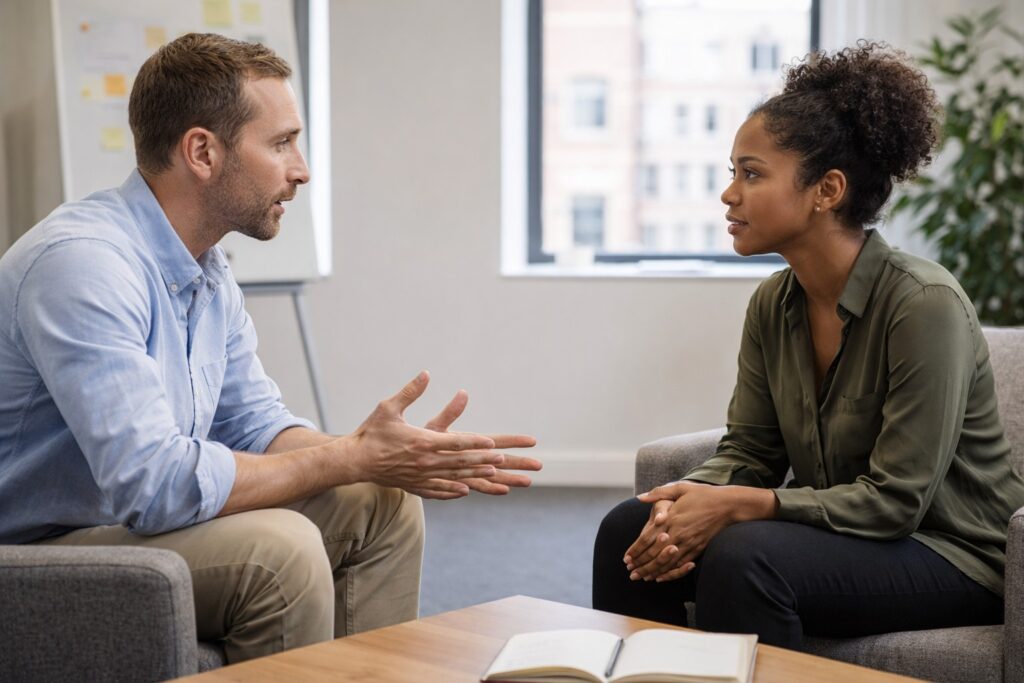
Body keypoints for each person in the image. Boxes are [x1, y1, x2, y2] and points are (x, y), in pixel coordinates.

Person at [0, 33, 540, 663]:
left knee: (382, 506)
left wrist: (380, 455)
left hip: (117, 526)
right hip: (34, 548)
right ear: (202, 152)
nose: (301, 168)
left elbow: (254, 425)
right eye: (281, 142)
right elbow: (151, 485)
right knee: (279, 552)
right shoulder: (83, 266)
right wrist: (348, 458)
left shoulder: (208, 270)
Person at [592, 42, 1024, 649]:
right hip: (857, 539)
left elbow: (896, 502)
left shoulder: (924, 304)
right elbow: (751, 450)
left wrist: (749, 506)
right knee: (627, 532)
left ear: (827, 190)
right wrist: (687, 501)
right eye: (732, 174)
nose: (729, 195)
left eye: (751, 173)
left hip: (953, 551)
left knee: (747, 556)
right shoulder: (774, 303)